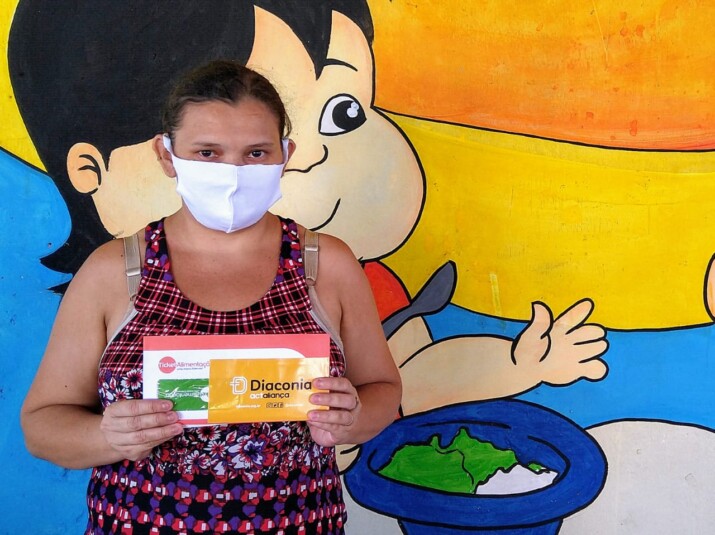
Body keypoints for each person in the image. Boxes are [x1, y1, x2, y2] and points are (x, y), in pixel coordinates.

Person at [20, 59, 401, 534]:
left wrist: (354, 418)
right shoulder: (114, 271)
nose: (233, 172)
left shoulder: (325, 264)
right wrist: (107, 435)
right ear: (166, 155)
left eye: (256, 153)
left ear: (286, 154)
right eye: (207, 152)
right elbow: (42, 426)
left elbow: (383, 389)